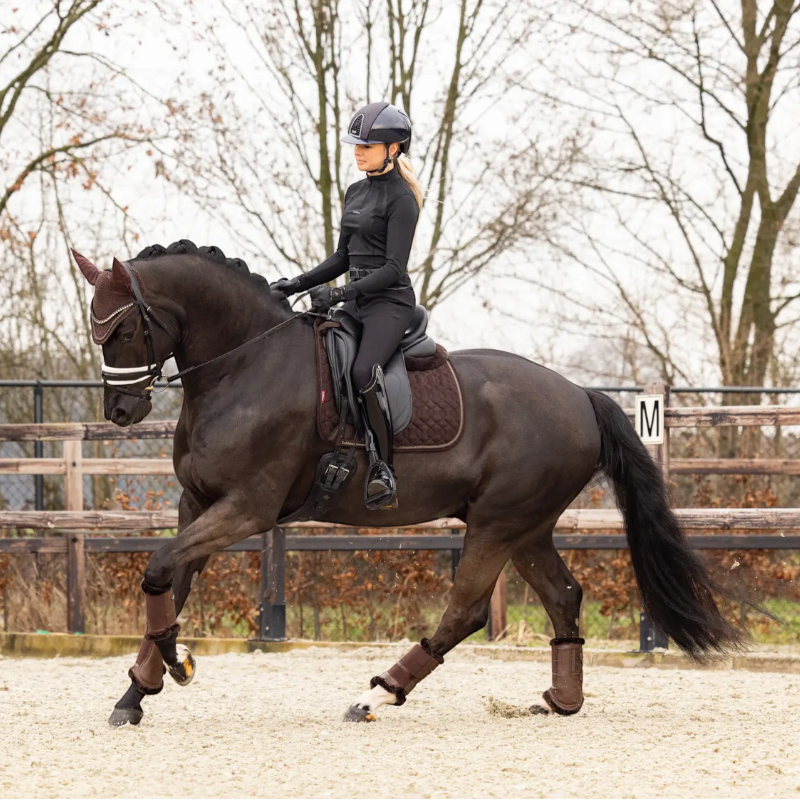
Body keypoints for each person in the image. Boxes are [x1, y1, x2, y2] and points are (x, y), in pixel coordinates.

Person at [271, 101, 423, 510]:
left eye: (367, 146)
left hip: (388, 304)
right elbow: (342, 258)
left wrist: (339, 294)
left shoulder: (402, 200)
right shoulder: (355, 191)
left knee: (360, 370)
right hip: (356, 301)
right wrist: (295, 284)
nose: (358, 151)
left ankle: (381, 467)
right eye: (356, 144)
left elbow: (394, 268)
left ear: (393, 149)